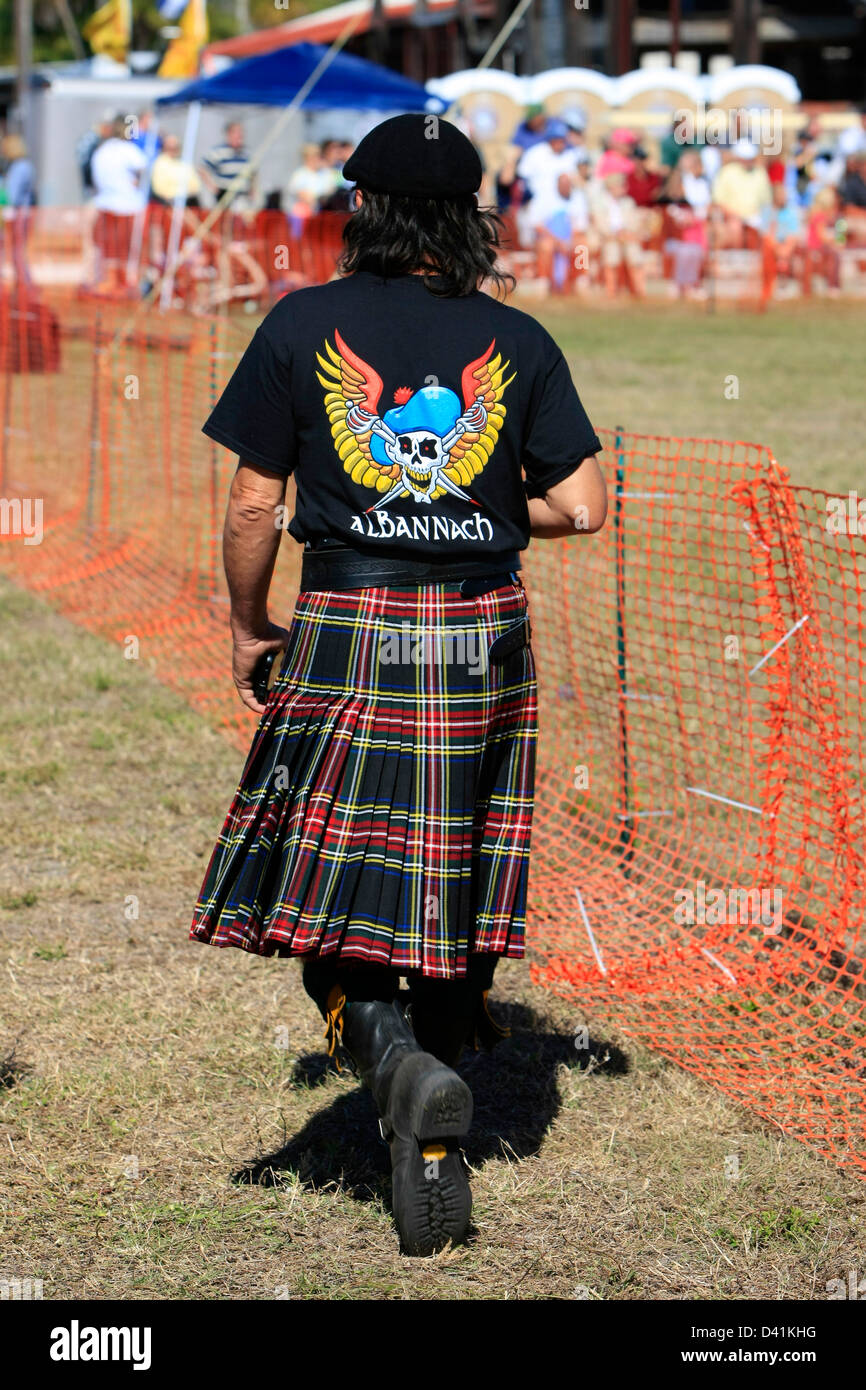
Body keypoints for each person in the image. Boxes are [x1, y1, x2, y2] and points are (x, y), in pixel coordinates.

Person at [190, 113, 607, 1258]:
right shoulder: (515, 340)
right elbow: (582, 506)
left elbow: (247, 505)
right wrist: (478, 505)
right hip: (476, 630)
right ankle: (428, 1096)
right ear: (468, 219)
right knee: (448, 878)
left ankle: (393, 1061)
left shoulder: (301, 323)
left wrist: (243, 624)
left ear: (361, 209)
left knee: (324, 881)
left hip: (349, 620)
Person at [90, 115, 147, 294]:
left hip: (105, 205)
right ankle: (123, 285)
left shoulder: (101, 151)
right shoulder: (129, 150)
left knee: (108, 249)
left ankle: (109, 283)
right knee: (125, 250)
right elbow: (144, 169)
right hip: (128, 208)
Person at [0, 133, 35, 286]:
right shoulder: (25, 165)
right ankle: (24, 286)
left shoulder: (19, 167)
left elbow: (12, 196)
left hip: (19, 215)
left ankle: (25, 286)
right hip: (23, 213)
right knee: (18, 252)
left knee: (17, 253)